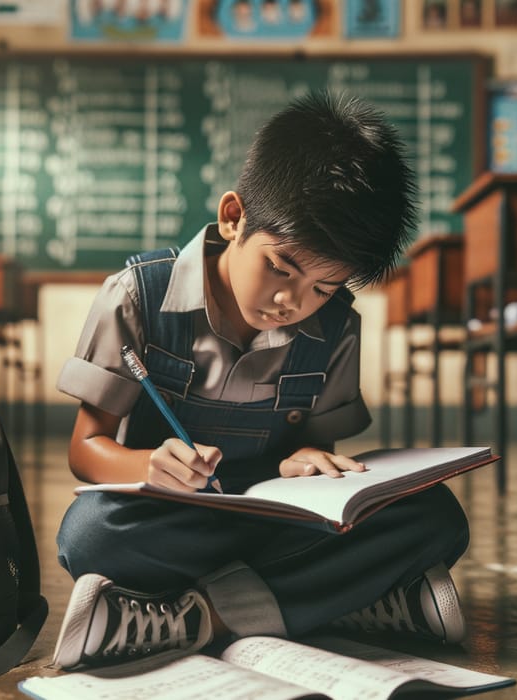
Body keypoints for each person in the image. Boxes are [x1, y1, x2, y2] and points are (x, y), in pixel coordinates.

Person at [54, 91, 470, 671]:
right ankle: (336, 599)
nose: (291, 302)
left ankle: (191, 617)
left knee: (436, 516)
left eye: (323, 288)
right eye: (280, 266)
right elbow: (85, 449)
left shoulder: (338, 327)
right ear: (234, 216)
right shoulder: (135, 296)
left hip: (278, 518)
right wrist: (146, 468)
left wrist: (306, 460)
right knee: (92, 535)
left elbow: (317, 450)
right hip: (177, 515)